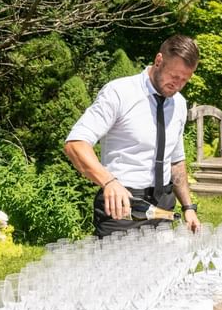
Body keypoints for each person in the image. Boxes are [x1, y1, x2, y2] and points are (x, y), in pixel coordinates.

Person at [64, 34, 201, 237]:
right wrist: (108, 182)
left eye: (185, 80)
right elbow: (75, 144)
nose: (178, 85)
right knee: (119, 268)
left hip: (163, 204)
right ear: (158, 60)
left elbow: (176, 161)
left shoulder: (179, 103)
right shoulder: (119, 92)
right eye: (174, 76)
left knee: (163, 267)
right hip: (123, 205)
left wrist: (188, 207)